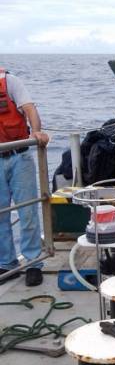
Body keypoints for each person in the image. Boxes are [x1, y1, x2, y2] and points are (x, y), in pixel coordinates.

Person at [0, 68, 49, 286]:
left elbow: (30, 108)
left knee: (27, 211)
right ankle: (6, 263)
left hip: (19, 156)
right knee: (1, 214)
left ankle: (33, 264)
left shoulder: (9, 81)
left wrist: (35, 133)